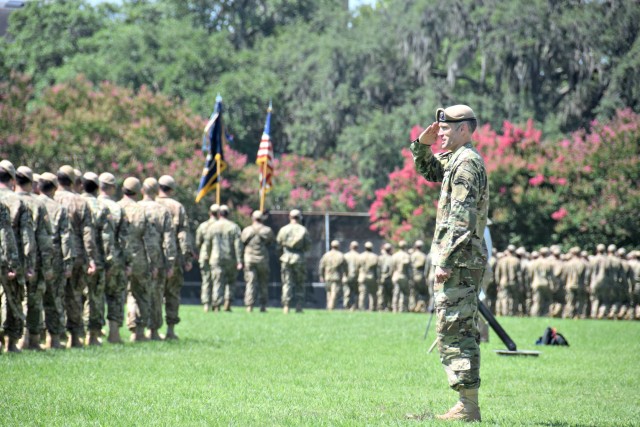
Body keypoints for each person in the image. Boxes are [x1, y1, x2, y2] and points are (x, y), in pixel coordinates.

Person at [409, 105, 488, 421]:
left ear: (464, 130)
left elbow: (462, 217)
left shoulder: (467, 164)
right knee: (452, 328)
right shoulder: (456, 160)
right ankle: (466, 402)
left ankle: (468, 405)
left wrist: (447, 260)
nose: (440, 132)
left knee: (457, 331)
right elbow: (428, 171)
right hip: (458, 262)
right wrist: (422, 144)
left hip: (460, 263)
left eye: (446, 129)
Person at [55, 165, 97, 347]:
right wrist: (91, 258)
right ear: (73, 182)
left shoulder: (49, 198)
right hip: (76, 255)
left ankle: (53, 337)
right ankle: (75, 338)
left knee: (55, 297)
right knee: (75, 296)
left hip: (53, 255)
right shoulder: (80, 202)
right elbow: (87, 233)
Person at [15, 166, 53, 350]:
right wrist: (47, 266)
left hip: (9, 261)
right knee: (34, 300)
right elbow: (44, 240)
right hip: (34, 260)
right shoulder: (38, 204)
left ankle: (13, 340)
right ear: (31, 182)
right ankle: (33, 339)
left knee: (12, 299)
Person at [0, 160, 32, 353]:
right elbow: (23, 237)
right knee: (13, 299)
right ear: (12, 179)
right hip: (9, 258)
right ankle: (11, 343)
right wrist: (20, 264)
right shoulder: (18, 202)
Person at [156, 175, 193, 339]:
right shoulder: (177, 207)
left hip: (153, 257)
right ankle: (170, 330)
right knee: (172, 294)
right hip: (174, 258)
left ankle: (153, 330)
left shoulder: (151, 204)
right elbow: (183, 235)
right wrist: (187, 258)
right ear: (171, 189)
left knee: (155, 293)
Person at [138, 178, 176, 340]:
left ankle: (137, 330)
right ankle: (153, 331)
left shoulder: (135, 208)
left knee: (135, 294)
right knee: (156, 295)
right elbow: (168, 240)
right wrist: (170, 262)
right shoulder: (162, 211)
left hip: (136, 258)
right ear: (156, 191)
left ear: (142, 191)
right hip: (157, 259)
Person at [38, 172, 72, 349]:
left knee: (32, 299)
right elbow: (65, 237)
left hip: (35, 258)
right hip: (55, 258)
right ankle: (54, 340)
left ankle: (30, 339)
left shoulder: (32, 204)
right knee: (55, 299)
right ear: (55, 187)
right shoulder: (59, 208)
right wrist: (67, 263)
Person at [81, 172, 115, 346]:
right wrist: (109, 262)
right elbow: (107, 238)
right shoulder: (101, 207)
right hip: (97, 260)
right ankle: (92, 336)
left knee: (75, 297)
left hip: (77, 259)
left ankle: (74, 335)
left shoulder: (75, 202)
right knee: (94, 299)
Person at [118, 177, 153, 342]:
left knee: (118, 294)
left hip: (117, 256)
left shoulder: (115, 207)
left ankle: (113, 332)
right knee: (140, 294)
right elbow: (149, 239)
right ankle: (138, 332)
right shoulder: (141, 210)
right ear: (139, 192)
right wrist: (153, 261)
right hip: (138, 258)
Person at [97, 172, 128, 343]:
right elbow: (124, 238)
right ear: (113, 187)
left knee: (95, 296)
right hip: (114, 259)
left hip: (94, 259)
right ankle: (114, 333)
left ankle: (93, 333)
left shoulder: (91, 203)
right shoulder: (117, 208)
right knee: (115, 296)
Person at [207, 205, 242, 312]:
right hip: (230, 258)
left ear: (219, 214)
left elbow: (208, 243)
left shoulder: (212, 227)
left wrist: (209, 256)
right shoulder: (234, 227)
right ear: (228, 214)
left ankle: (216, 304)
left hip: (216, 258)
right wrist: (239, 260)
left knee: (217, 281)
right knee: (230, 282)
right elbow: (238, 245)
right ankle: (228, 303)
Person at [276, 209, 311, 313]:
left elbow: (278, 244)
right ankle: (299, 306)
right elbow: (308, 246)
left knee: (287, 282)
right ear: (299, 217)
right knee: (300, 282)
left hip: (286, 257)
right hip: (299, 258)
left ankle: (286, 306)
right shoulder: (303, 230)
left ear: (289, 217)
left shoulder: (283, 229)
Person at [241, 210, 275, 312]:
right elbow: (271, 242)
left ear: (253, 218)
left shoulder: (247, 230)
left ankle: (249, 306)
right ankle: (263, 306)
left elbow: (242, 241)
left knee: (250, 282)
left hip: (249, 259)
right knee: (263, 283)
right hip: (262, 259)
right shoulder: (267, 230)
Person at [196, 204, 218, 312]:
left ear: (210, 213)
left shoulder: (203, 226)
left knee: (206, 280)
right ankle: (216, 303)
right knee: (217, 281)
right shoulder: (220, 226)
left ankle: (206, 304)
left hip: (204, 255)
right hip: (216, 256)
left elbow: (198, 241)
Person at [319, 239, 347, 310]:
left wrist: (321, 276)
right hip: (336, 277)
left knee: (328, 293)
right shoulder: (341, 255)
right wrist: (345, 275)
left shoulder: (326, 255)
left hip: (327, 276)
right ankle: (331, 307)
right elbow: (345, 267)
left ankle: (329, 306)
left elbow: (321, 266)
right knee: (334, 293)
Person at [495, 245, 522, 316]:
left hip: (503, 282)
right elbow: (519, 274)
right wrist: (520, 284)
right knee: (514, 298)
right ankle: (512, 313)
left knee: (504, 298)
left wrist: (498, 284)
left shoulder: (501, 260)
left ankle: (505, 313)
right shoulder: (517, 261)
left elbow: (497, 274)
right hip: (514, 282)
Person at [357, 241, 379, 311]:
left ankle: (361, 307)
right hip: (371, 277)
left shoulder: (360, 256)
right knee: (373, 294)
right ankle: (372, 308)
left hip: (362, 276)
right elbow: (377, 269)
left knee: (362, 293)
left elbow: (357, 267)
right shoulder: (375, 256)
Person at [390, 240, 411, 313]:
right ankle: (402, 308)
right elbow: (409, 269)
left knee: (396, 292)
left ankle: (394, 308)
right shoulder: (407, 256)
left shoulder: (394, 256)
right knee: (404, 293)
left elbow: (392, 267)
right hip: (403, 276)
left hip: (395, 276)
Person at [410, 240, 429, 312]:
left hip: (413, 276)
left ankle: (412, 307)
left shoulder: (412, 255)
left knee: (413, 292)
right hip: (421, 277)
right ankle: (422, 308)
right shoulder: (424, 256)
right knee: (423, 293)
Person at [343, 241, 359, 310]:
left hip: (346, 276)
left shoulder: (345, 256)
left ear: (350, 246)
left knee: (347, 292)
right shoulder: (359, 256)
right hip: (356, 276)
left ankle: (346, 305)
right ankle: (354, 306)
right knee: (356, 292)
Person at [377, 243, 394, 311]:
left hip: (381, 278)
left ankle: (381, 307)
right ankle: (389, 307)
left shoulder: (380, 258)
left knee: (381, 293)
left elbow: (378, 269)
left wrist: (379, 278)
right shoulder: (392, 258)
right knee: (389, 294)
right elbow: (392, 269)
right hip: (389, 278)